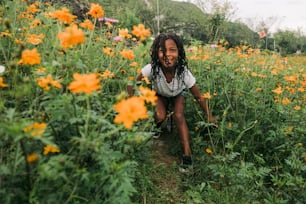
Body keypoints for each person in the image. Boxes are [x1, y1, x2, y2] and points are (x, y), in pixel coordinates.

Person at [127, 33, 216, 170]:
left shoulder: (183, 72)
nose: (167, 54)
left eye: (172, 50)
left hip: (177, 95)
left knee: (179, 116)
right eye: (162, 50)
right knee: (160, 116)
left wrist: (209, 115)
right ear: (156, 53)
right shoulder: (152, 68)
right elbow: (131, 83)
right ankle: (158, 127)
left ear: (179, 52)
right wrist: (130, 102)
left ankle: (187, 157)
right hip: (159, 94)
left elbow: (198, 96)